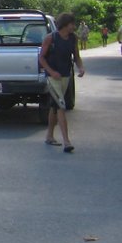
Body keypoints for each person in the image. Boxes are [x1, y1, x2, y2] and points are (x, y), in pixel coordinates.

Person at [39, 12, 85, 153]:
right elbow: (41, 58)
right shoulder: (50, 38)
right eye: (72, 24)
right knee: (61, 106)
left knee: (55, 106)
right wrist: (51, 72)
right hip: (53, 78)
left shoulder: (73, 39)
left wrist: (81, 67)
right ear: (65, 24)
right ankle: (66, 141)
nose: (74, 26)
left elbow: (76, 56)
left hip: (65, 77)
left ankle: (49, 136)